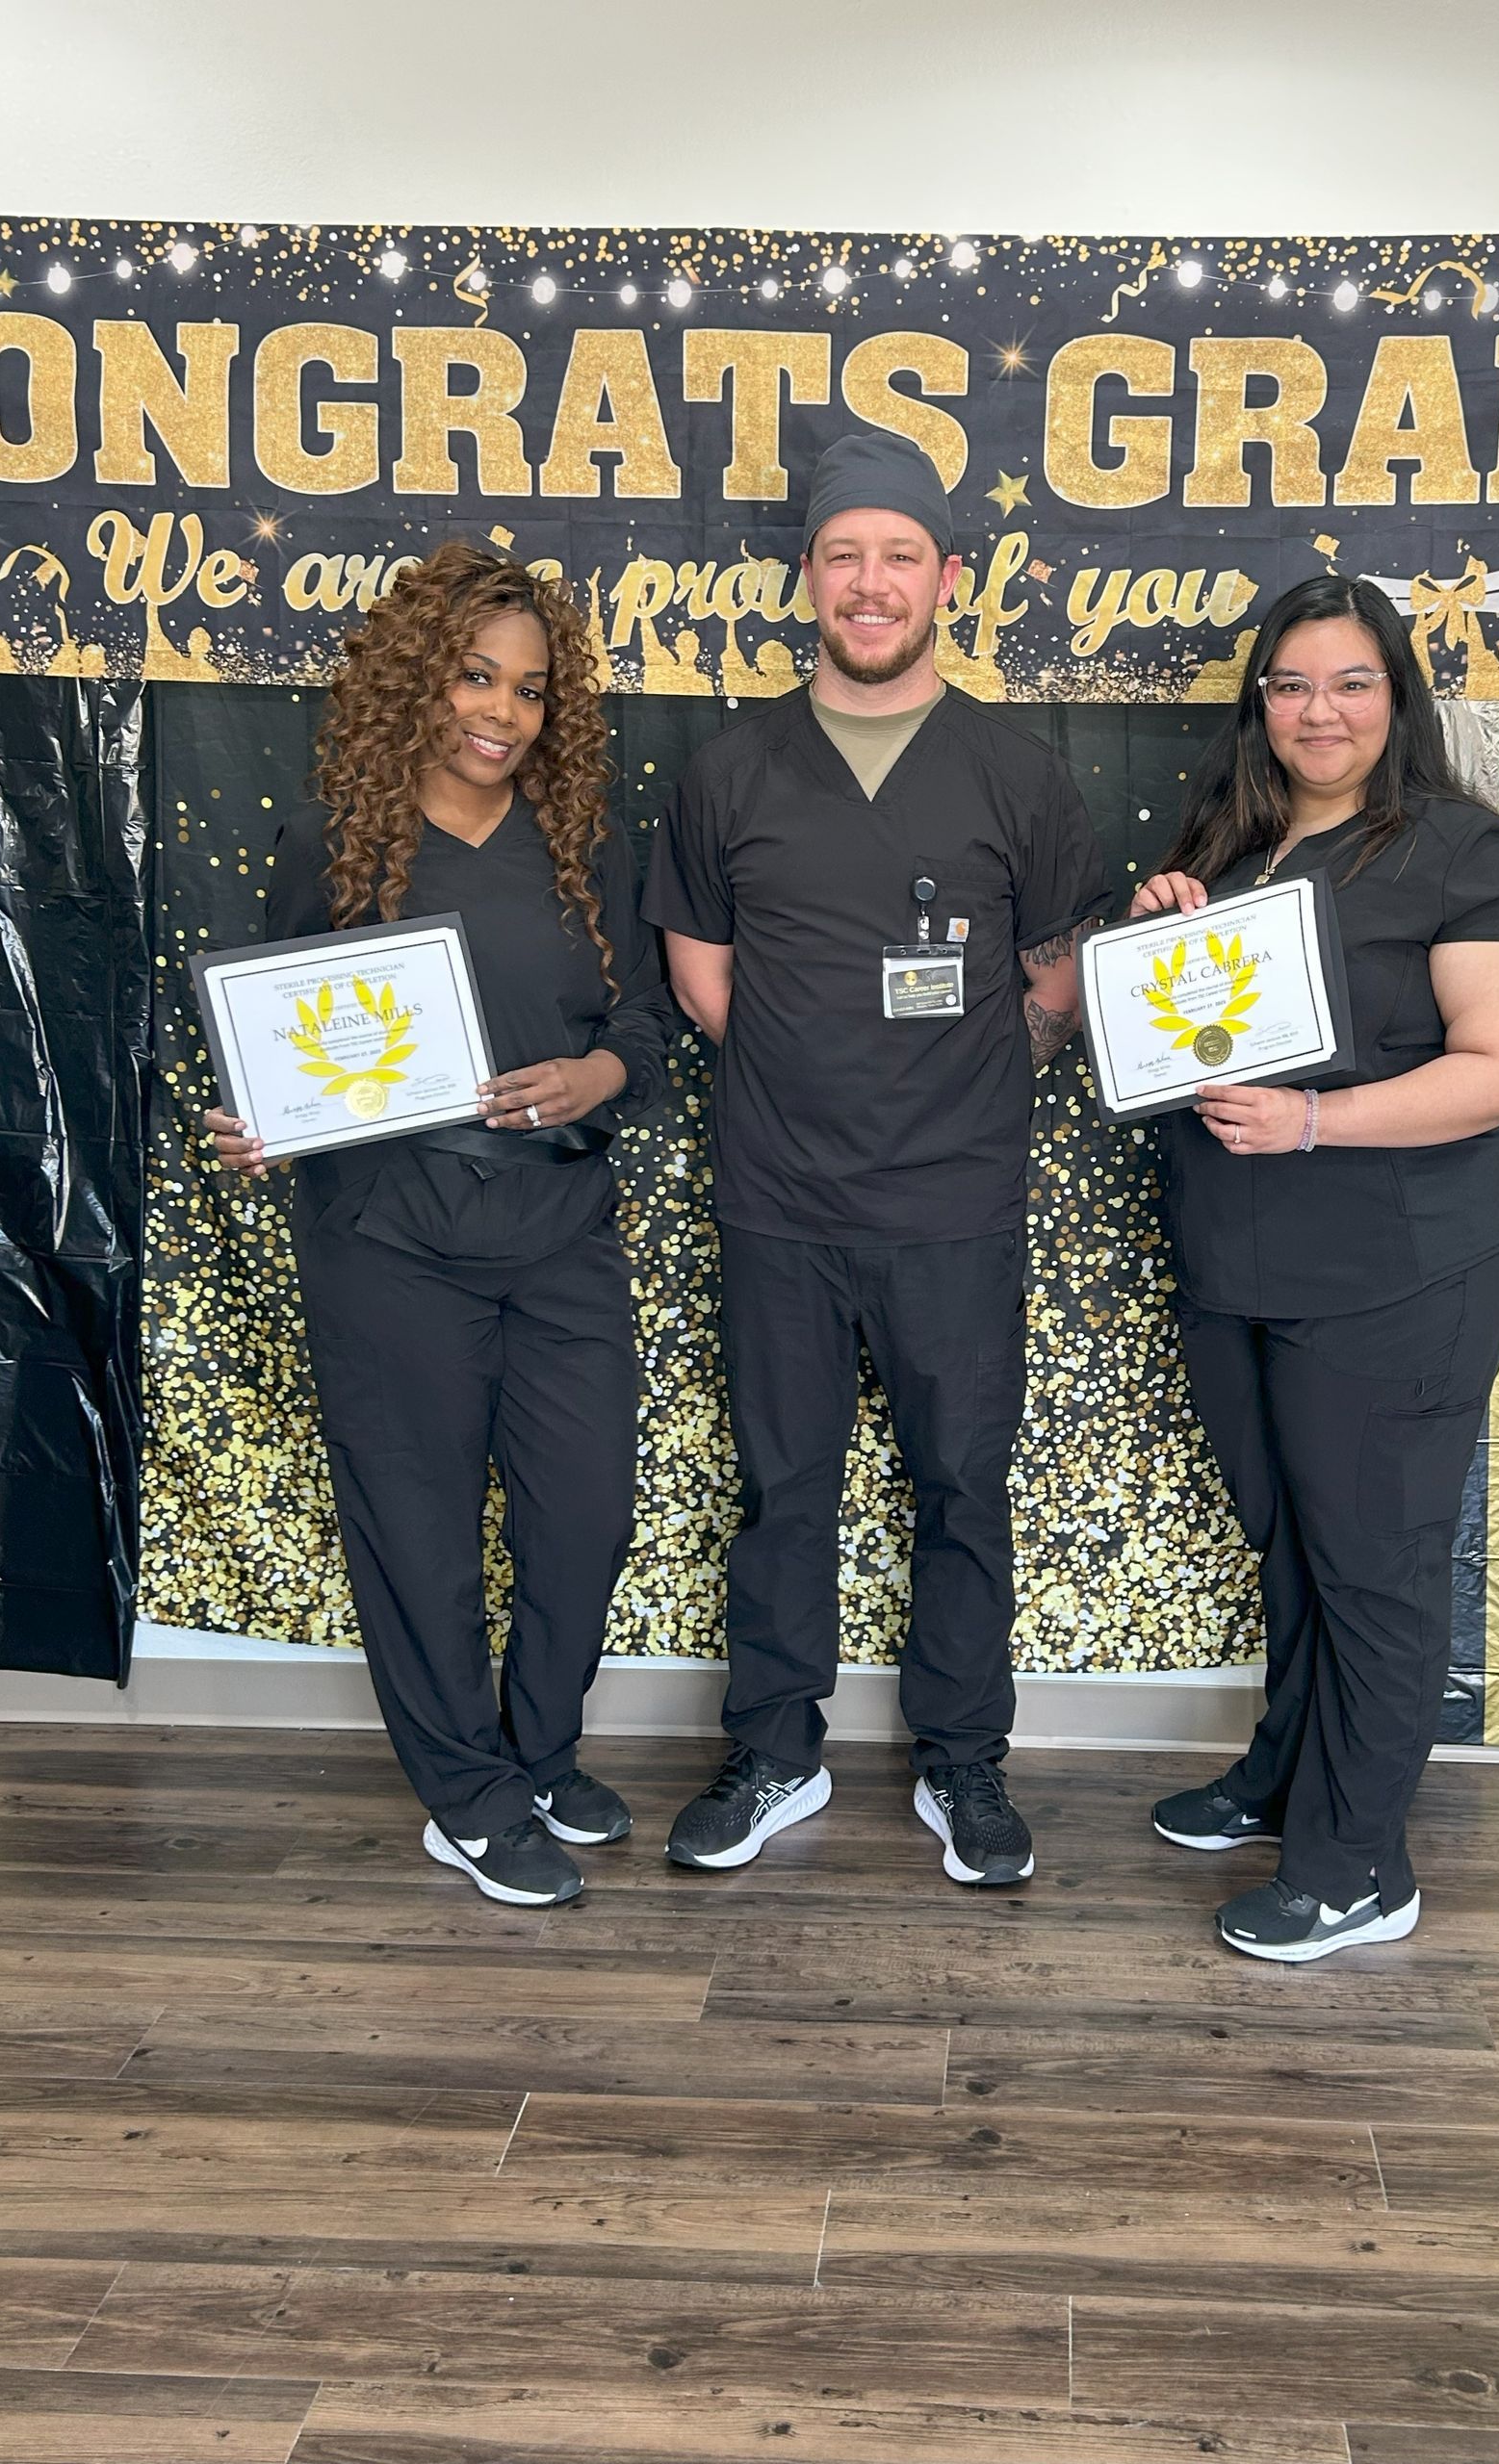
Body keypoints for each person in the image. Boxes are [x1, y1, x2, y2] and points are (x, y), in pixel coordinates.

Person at [643, 431, 1108, 1886]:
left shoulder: (1019, 774)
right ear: (806, 580)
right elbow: (704, 979)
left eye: (900, 555)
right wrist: (817, 1079)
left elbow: (1059, 972)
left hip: (959, 1205)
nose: (870, 581)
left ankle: (963, 1764)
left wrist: (954, 1079)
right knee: (785, 1486)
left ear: (945, 579)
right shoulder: (729, 771)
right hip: (780, 1201)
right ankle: (775, 1753)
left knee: (965, 1485)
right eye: (844, 554)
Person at [205, 541, 675, 1909]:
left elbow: (643, 1020)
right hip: (390, 1241)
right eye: (477, 675)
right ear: (420, 679)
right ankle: (467, 1795)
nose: (501, 711)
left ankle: (538, 1752)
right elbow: (279, 1054)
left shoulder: (583, 839)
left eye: (530, 690)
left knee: (584, 1513)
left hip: (561, 1227)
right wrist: (260, 1126)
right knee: (415, 1529)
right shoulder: (335, 844)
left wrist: (599, 1073)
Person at [1140, 573, 1499, 1962]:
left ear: (1396, 698)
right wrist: (1166, 932)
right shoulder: (1234, 840)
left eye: (1352, 683)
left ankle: (1359, 1863)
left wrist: (1318, 1119)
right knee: (1296, 1547)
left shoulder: (1464, 851)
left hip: (1394, 1272)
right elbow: (1194, 1034)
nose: (1321, 711)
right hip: (1237, 1266)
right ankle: (1286, 1775)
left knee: (1374, 1567)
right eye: (1295, 685)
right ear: (1262, 703)